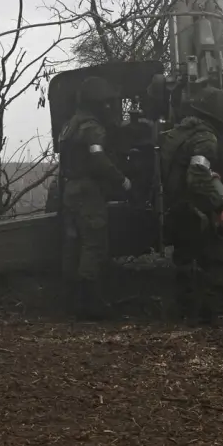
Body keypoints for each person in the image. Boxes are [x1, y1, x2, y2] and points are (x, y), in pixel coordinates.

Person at [160, 83, 223, 324]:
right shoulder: (205, 138)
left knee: (184, 257)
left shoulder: (177, 133)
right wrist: (221, 207)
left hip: (177, 205)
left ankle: (183, 310)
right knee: (221, 256)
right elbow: (196, 176)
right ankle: (207, 313)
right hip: (196, 206)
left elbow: (183, 167)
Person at [57, 76, 131, 320]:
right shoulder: (92, 127)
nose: (109, 107)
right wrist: (122, 180)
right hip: (88, 191)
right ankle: (90, 304)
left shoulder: (70, 125)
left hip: (70, 189)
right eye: (106, 102)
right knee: (94, 244)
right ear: (97, 102)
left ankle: (70, 301)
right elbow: (98, 159)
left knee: (73, 243)